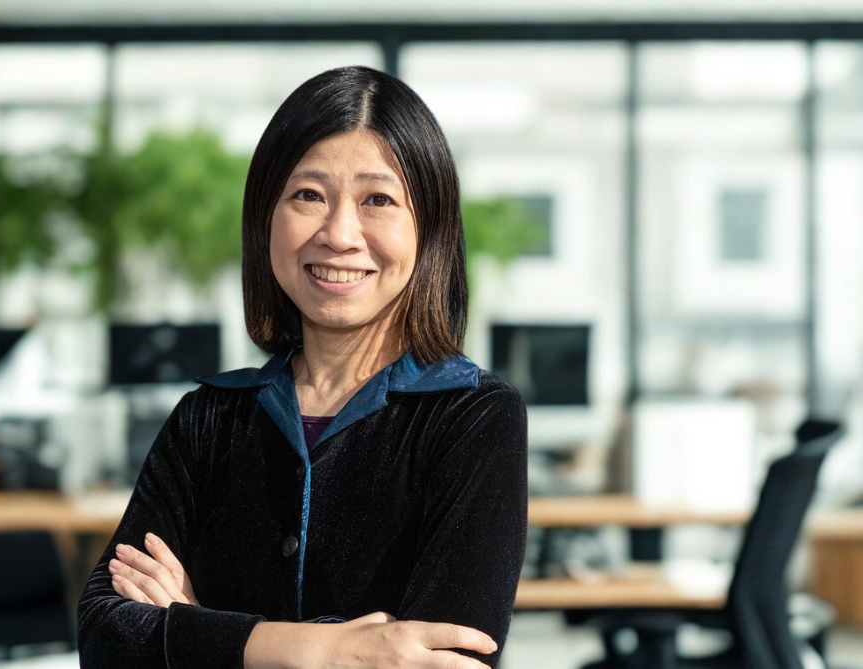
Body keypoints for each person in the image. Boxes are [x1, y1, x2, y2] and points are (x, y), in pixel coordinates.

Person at [77, 65, 528, 669]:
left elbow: (448, 660)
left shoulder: (474, 418)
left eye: (378, 200)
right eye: (308, 195)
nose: (340, 234)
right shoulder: (207, 419)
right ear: (266, 216)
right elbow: (106, 638)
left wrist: (192, 628)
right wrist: (336, 651)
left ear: (431, 229)